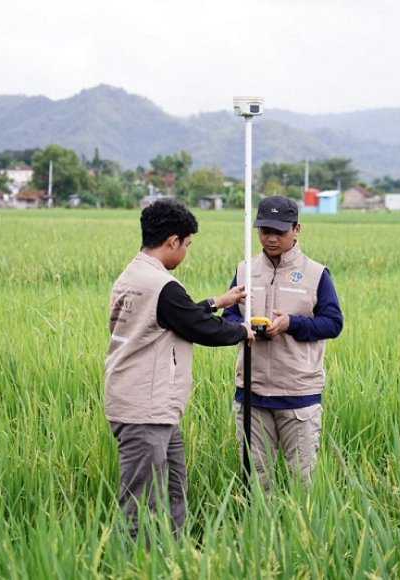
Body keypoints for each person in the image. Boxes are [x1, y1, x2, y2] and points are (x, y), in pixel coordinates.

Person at [104, 199, 254, 537]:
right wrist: (243, 331)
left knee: (173, 486)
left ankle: (172, 554)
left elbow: (175, 315)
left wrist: (218, 301)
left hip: (150, 406)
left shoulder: (133, 275)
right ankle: (135, 564)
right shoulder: (163, 286)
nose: (185, 251)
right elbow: (202, 329)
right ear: (173, 241)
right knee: (140, 501)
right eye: (186, 244)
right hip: (144, 407)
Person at [223, 195, 343, 489]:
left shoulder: (316, 274)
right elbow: (227, 316)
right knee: (255, 482)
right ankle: (256, 532)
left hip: (298, 394)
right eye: (265, 231)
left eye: (279, 231)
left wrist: (292, 324)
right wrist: (242, 327)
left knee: (302, 482)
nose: (271, 238)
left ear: (296, 229)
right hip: (252, 393)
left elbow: (333, 323)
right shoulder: (244, 270)